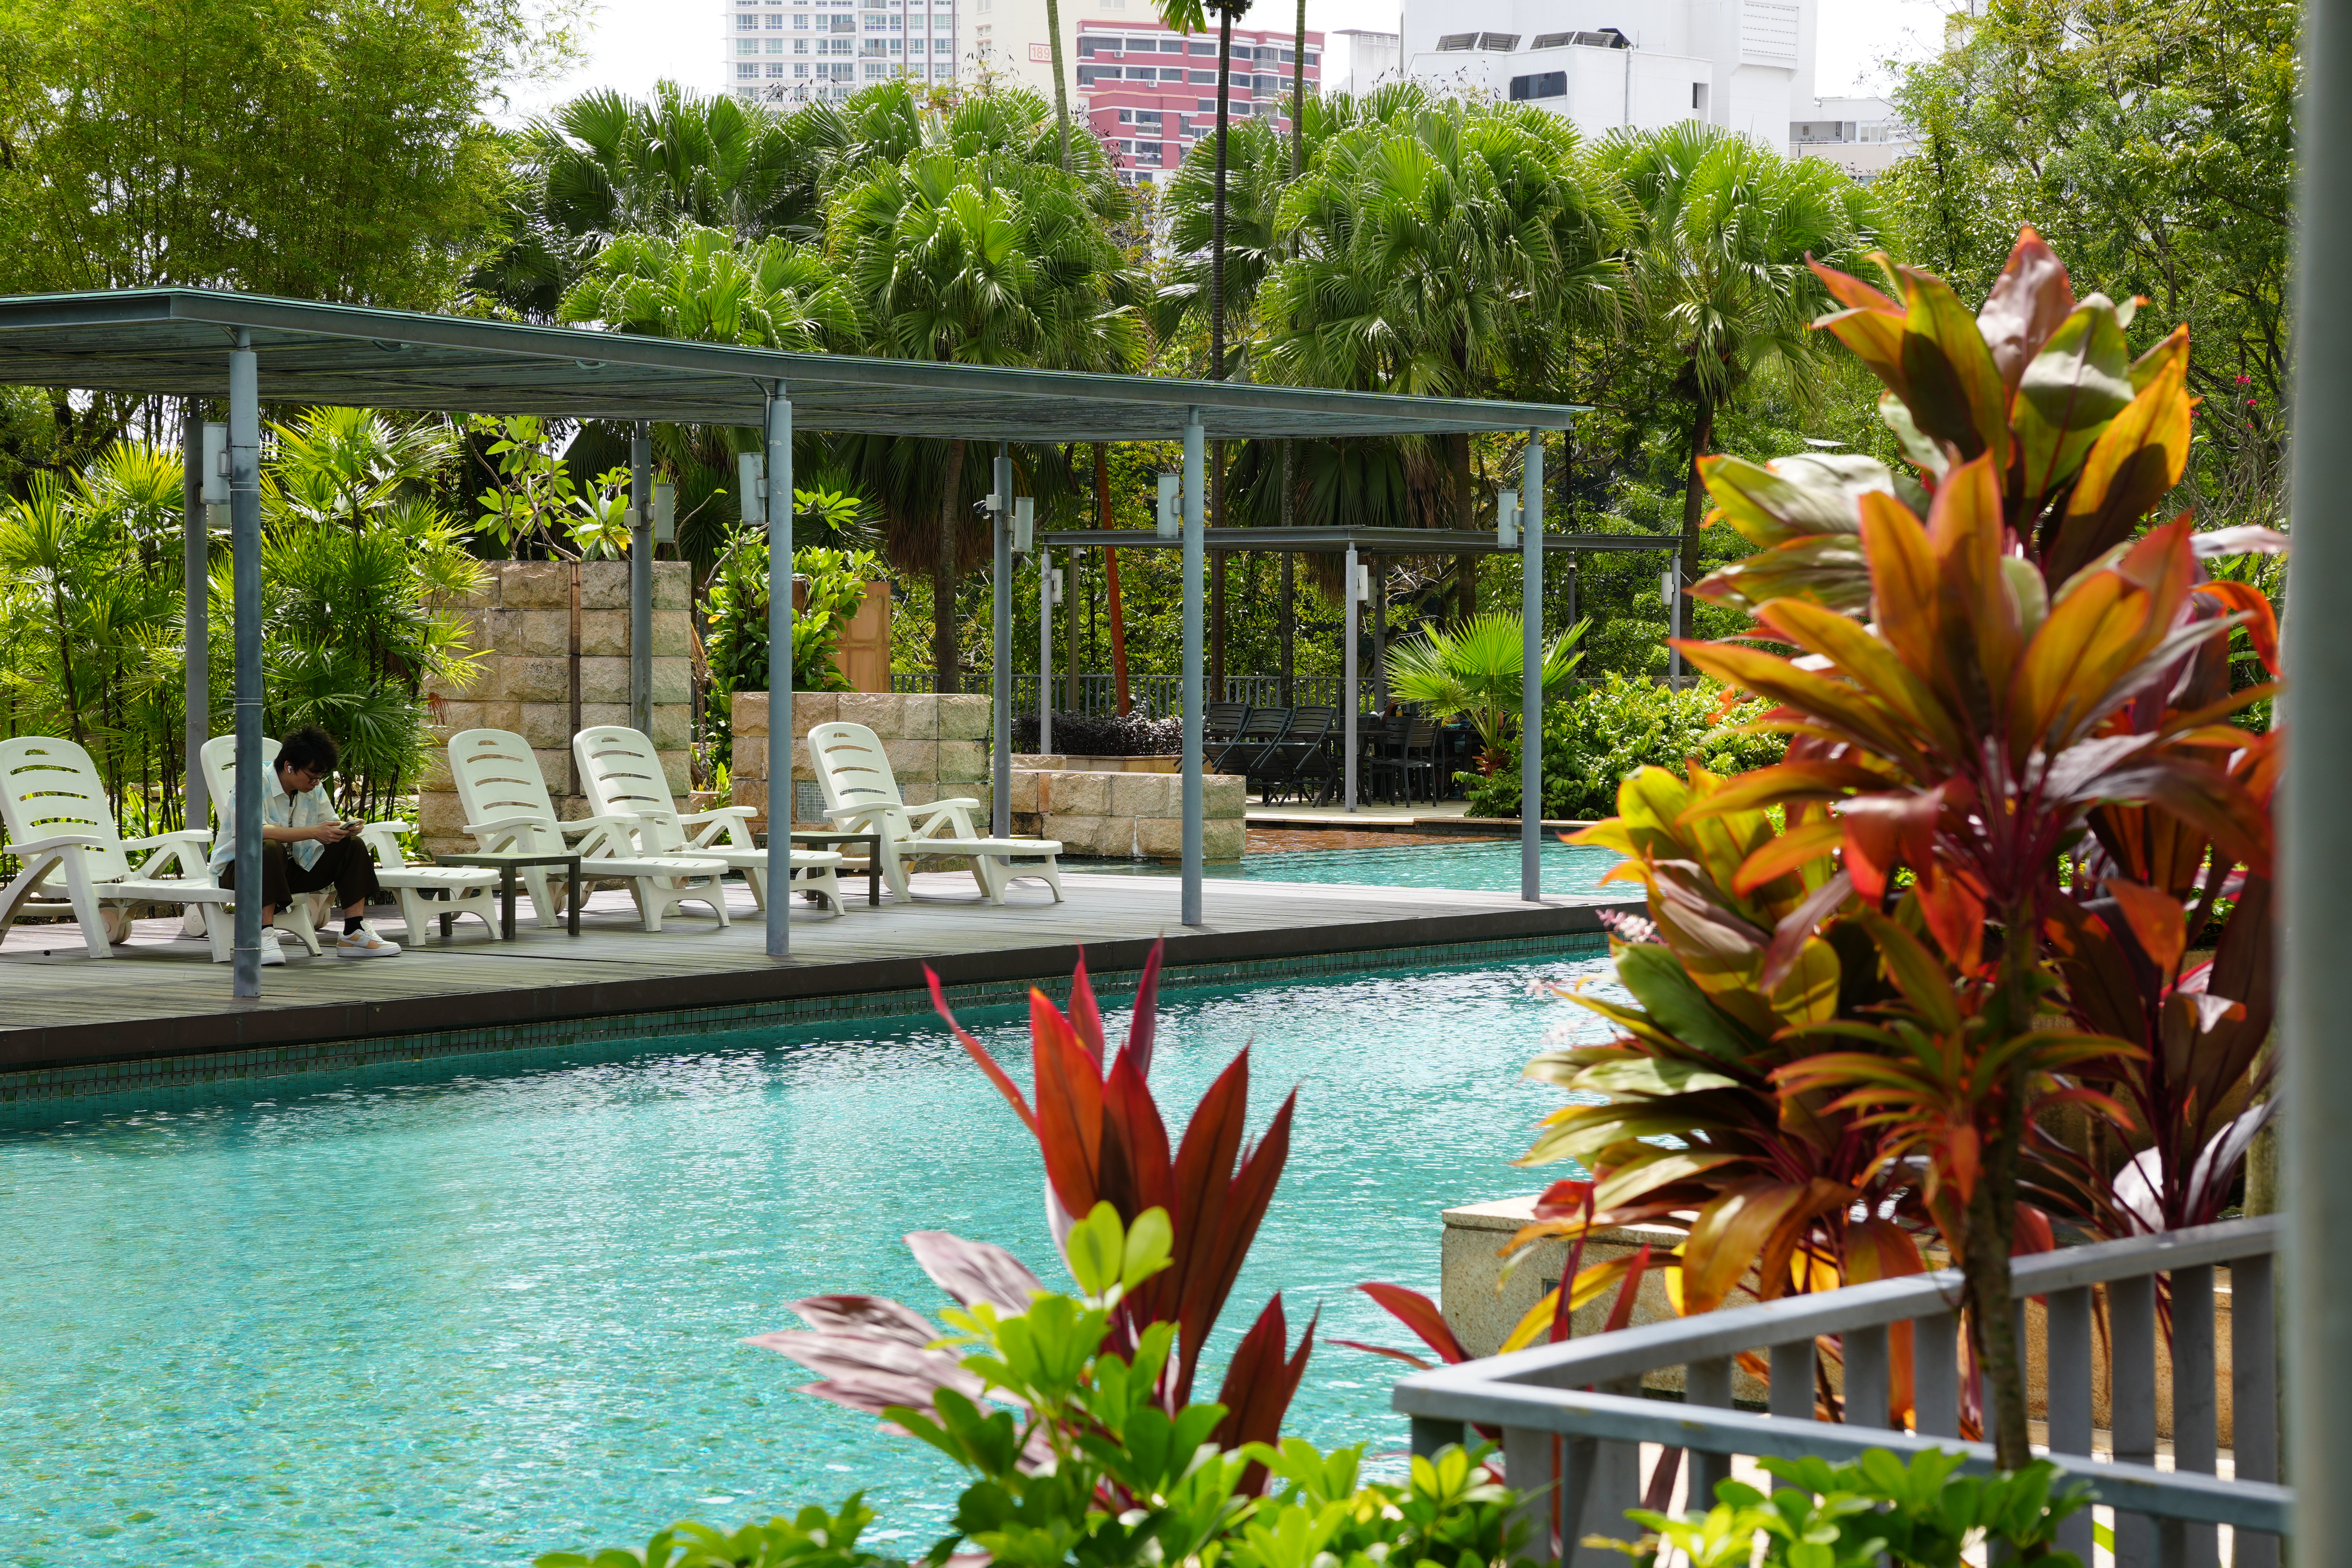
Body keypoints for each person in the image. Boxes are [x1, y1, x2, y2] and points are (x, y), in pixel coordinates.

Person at [209, 726, 401, 963]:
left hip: (289, 870)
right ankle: (261, 934)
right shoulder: (253, 781)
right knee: (269, 847)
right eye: (312, 776)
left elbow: (328, 822)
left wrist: (344, 828)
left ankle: (354, 933)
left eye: (320, 777)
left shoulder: (312, 789)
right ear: (290, 766)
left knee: (352, 845)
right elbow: (252, 832)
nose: (316, 782)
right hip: (241, 872)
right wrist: (314, 832)